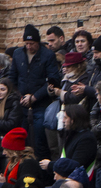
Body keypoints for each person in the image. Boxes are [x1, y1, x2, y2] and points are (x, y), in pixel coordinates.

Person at [8, 25, 62, 160]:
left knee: (39, 140)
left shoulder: (47, 55)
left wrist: (35, 97)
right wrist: (18, 95)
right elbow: (12, 77)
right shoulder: (18, 54)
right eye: (26, 43)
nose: (29, 47)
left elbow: (52, 80)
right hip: (22, 102)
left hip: (40, 103)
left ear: (38, 42)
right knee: (22, 139)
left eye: (32, 44)